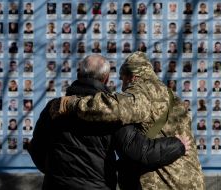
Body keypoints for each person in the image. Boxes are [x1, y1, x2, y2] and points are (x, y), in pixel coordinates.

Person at [29, 54, 190, 189]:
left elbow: (37, 149)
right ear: (106, 79)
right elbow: (141, 151)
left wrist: (56, 173)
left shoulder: (55, 107)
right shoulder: (112, 116)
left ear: (78, 75)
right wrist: (178, 145)